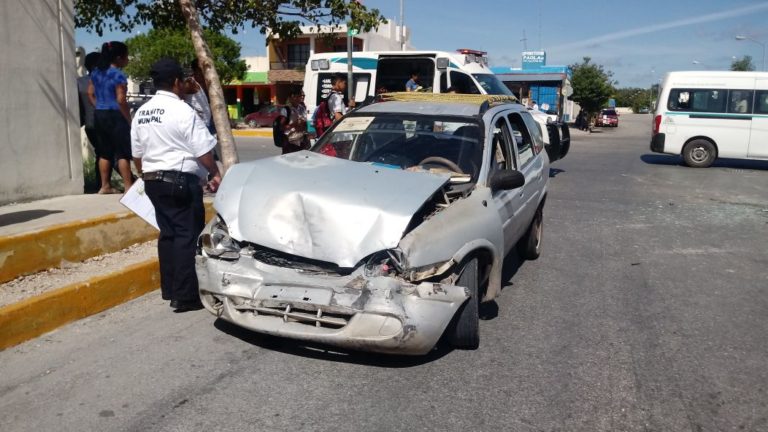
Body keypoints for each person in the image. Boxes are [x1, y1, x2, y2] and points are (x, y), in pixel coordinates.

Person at [130, 58, 221, 312]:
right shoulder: (182, 110)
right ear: (176, 82)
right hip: (179, 180)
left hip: (152, 180)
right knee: (186, 235)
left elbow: (137, 153)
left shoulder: (141, 113)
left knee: (167, 234)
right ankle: (185, 295)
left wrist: (144, 172)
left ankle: (170, 289)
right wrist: (214, 171)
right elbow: (203, 150)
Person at [87, 41, 134, 194]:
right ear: (119, 58)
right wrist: (129, 119)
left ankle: (105, 186)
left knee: (104, 151)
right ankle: (128, 187)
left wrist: (99, 106)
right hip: (116, 115)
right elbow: (121, 100)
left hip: (99, 114)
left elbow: (90, 93)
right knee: (122, 152)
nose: (128, 60)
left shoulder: (96, 72)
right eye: (126, 57)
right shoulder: (118, 75)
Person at [77, 51, 103, 190]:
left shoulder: (79, 83)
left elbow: (79, 106)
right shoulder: (104, 81)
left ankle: (101, 185)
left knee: (100, 153)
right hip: (105, 123)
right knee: (111, 154)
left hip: (89, 124)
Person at [280, 88, 310, 154]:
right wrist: (294, 124)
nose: (298, 98)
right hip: (290, 141)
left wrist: (308, 130)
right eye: (295, 96)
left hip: (301, 140)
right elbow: (281, 127)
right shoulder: (286, 110)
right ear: (290, 98)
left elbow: (306, 122)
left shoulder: (302, 108)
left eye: (299, 96)